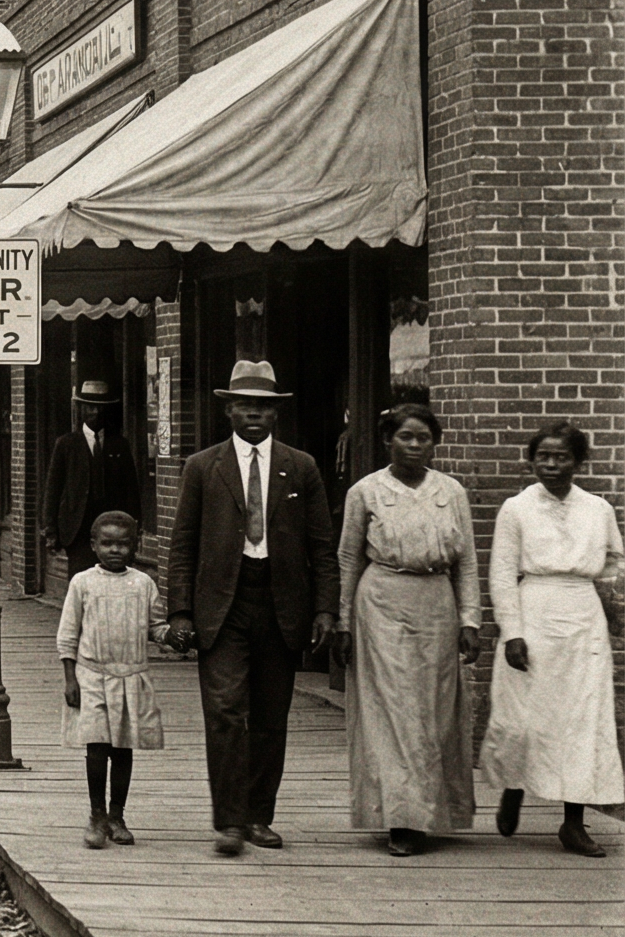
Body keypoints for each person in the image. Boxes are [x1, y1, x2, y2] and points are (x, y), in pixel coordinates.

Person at [164, 360, 338, 856]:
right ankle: (230, 821)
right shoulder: (203, 467)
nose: (255, 414)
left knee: (269, 716)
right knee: (223, 712)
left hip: (281, 604)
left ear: (276, 413)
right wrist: (179, 611)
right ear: (229, 411)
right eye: (245, 405)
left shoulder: (300, 466)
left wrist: (326, 609)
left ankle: (260, 815)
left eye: (264, 406)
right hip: (222, 604)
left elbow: (322, 546)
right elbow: (182, 543)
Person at [332, 403, 480, 855]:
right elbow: (348, 558)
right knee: (393, 711)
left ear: (435, 443)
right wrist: (343, 622)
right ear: (387, 441)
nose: (415, 446)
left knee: (433, 711)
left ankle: (432, 813)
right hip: (381, 603)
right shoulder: (367, 492)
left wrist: (470, 619)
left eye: (424, 438)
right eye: (406, 438)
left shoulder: (450, 491)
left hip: (436, 603)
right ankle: (400, 819)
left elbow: (468, 562)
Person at [479, 420, 622, 857]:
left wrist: (612, 600)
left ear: (578, 462)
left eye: (561, 457)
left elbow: (615, 561)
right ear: (532, 460)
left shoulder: (597, 510)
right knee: (523, 715)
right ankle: (514, 786)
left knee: (581, 721)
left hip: (582, 619)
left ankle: (573, 823)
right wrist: (513, 632)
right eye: (543, 456)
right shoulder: (516, 508)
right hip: (533, 611)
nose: (552, 465)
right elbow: (502, 573)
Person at [59, 513, 165, 849]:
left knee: (122, 747)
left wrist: (174, 635)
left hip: (130, 676)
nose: (114, 550)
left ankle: (117, 815)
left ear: (135, 546)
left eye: (123, 543)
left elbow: (156, 626)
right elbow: (67, 634)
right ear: (93, 545)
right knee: (97, 747)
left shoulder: (143, 583)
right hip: (92, 675)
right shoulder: (82, 583)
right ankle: (97, 815)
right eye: (107, 543)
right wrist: (70, 679)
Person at [43, 379, 145, 583]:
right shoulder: (66, 444)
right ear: (80, 409)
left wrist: (135, 524)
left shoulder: (119, 445)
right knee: (80, 580)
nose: (95, 413)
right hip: (77, 528)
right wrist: (50, 529)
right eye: (90, 407)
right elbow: (53, 488)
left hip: (112, 527)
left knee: (112, 578)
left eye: (101, 408)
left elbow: (130, 488)